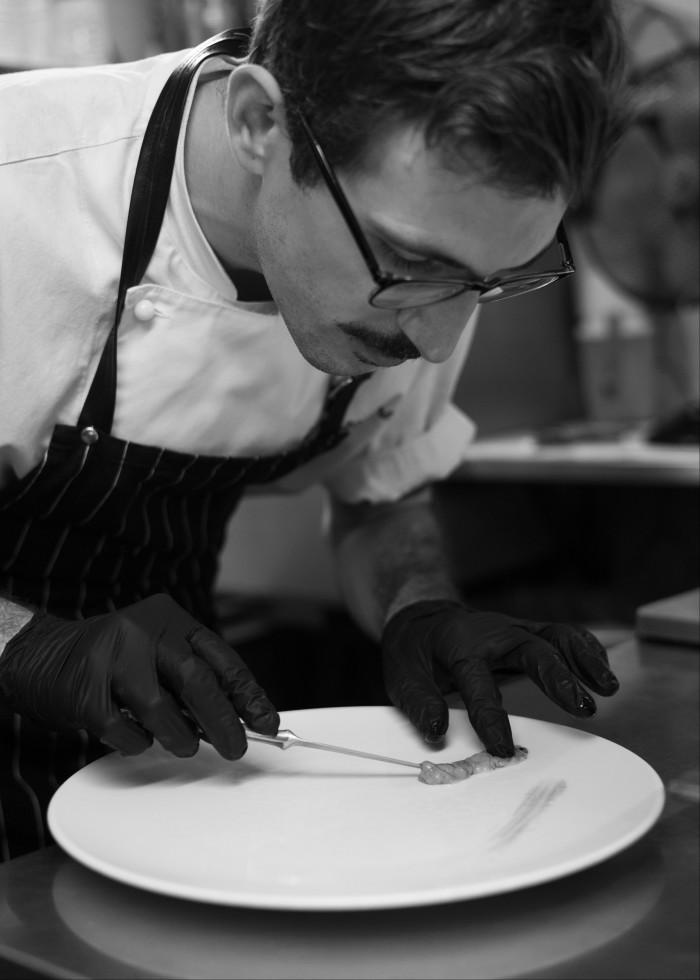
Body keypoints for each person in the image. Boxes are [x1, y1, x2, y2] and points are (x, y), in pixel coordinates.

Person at [0, 0, 628, 861]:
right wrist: (23, 643)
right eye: (411, 268)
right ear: (261, 121)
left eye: (492, 280)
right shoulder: (18, 192)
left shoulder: (440, 249)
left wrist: (421, 609)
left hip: (155, 770)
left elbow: (379, 496)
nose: (437, 339)